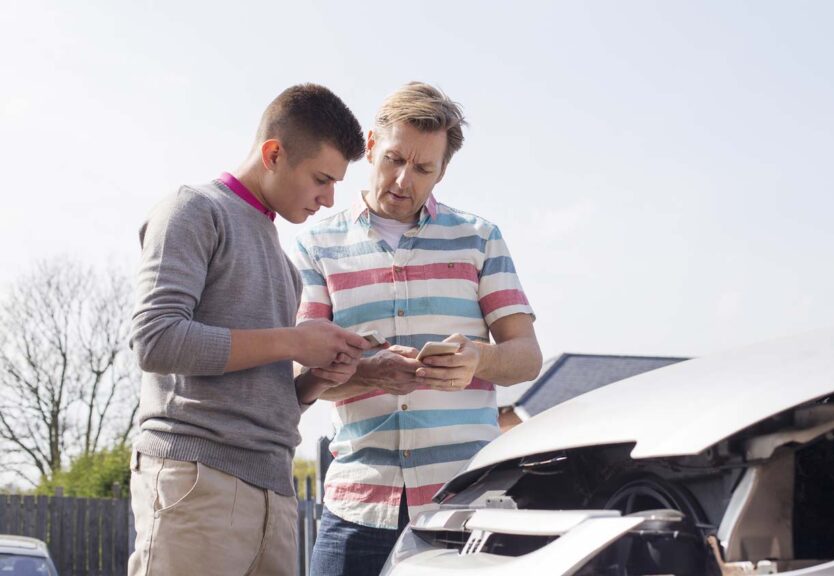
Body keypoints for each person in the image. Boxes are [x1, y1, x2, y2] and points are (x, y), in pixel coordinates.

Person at [294, 82, 542, 576]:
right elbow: (305, 376)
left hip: (464, 504)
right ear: (369, 146)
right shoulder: (316, 244)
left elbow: (526, 357)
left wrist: (479, 357)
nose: (404, 180)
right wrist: (370, 373)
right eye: (393, 159)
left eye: (424, 168)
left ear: (442, 171)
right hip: (357, 505)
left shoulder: (480, 238)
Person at [128, 84, 372, 576]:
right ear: (274, 153)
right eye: (322, 179)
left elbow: (262, 390)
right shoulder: (193, 209)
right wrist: (297, 341)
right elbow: (156, 340)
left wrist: (316, 380)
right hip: (198, 483)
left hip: (276, 493)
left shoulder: (284, 265)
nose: (328, 200)